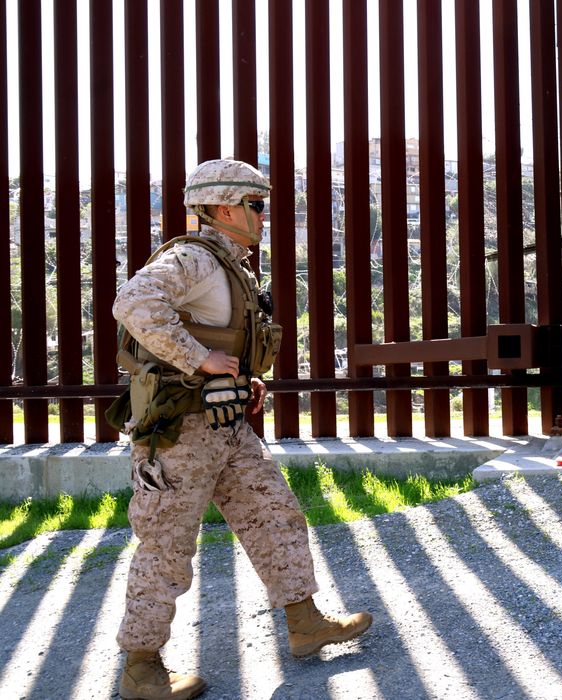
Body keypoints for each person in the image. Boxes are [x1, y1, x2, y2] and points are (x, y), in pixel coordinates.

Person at [110, 159, 372, 700]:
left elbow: (225, 338)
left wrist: (238, 376)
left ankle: (305, 624)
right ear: (225, 207)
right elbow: (134, 303)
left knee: (274, 513)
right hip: (177, 434)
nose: (263, 217)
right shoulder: (192, 258)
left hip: (224, 428)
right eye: (255, 206)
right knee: (166, 546)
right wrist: (199, 359)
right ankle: (140, 668)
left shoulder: (230, 265)